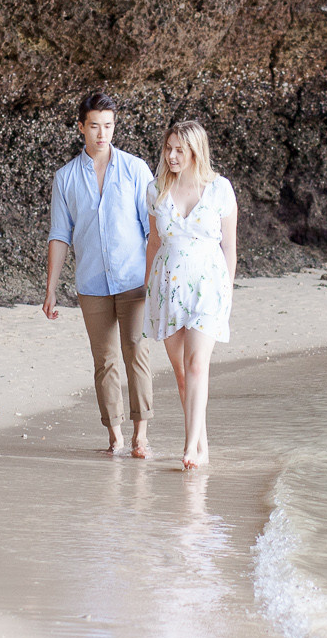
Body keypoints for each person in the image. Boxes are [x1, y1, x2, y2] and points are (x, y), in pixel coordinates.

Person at [45, 90, 157, 458]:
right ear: (81, 127)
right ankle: (115, 435)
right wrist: (50, 289)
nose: (102, 134)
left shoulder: (136, 169)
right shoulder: (65, 178)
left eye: (108, 126)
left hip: (133, 281)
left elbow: (150, 229)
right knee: (104, 361)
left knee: (135, 351)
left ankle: (141, 434)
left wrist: (155, 278)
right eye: (94, 126)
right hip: (92, 284)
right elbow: (60, 235)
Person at [142, 120, 237, 470]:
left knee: (198, 365)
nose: (171, 155)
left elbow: (230, 247)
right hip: (167, 288)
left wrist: (227, 291)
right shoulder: (156, 191)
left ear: (197, 151)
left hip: (209, 288)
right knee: (183, 374)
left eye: (180, 149)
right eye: (168, 148)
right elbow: (153, 243)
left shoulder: (220, 190)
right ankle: (202, 447)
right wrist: (147, 288)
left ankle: (189, 448)